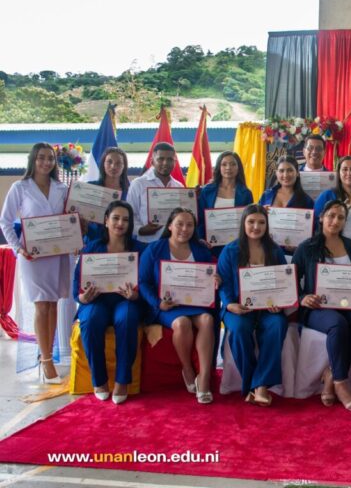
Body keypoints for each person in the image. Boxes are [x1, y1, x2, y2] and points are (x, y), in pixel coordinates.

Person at [293, 200, 351, 412]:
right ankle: (340, 383)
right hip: (317, 308)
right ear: (321, 218)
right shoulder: (306, 248)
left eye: (340, 217)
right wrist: (303, 297)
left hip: (349, 306)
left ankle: (331, 373)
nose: (335, 221)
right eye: (331, 216)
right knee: (337, 324)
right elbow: (290, 281)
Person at [0, 143, 71, 384]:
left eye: (50, 158)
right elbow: (5, 222)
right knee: (41, 305)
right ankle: (47, 361)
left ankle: (47, 352)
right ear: (33, 160)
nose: (46, 162)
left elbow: (69, 219)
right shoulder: (20, 188)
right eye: (41, 158)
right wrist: (19, 247)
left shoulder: (61, 188)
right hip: (33, 255)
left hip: (58, 253)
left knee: (52, 305)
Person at [139, 208, 219, 404]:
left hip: (196, 304)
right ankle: (188, 369)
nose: (185, 229)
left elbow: (209, 277)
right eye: (179, 224)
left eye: (189, 225)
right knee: (182, 323)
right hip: (168, 307)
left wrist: (215, 279)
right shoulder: (155, 249)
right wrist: (158, 303)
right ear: (169, 226)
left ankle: (205, 378)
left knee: (208, 320)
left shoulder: (200, 250)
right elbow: (142, 282)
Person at [72, 201, 146, 404]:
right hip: (97, 301)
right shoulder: (91, 248)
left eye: (125, 219)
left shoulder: (140, 250)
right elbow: (76, 286)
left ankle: (122, 381)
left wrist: (136, 295)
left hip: (126, 300)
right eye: (115, 218)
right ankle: (100, 381)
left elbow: (147, 281)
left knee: (128, 317)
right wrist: (82, 298)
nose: (120, 223)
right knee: (91, 319)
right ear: (106, 221)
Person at [217, 204, 288, 406]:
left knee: (278, 325)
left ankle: (260, 386)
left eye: (261, 222)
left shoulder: (275, 251)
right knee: (239, 329)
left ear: (267, 225)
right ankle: (252, 384)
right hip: (238, 307)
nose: (256, 226)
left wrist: (280, 303)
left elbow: (283, 282)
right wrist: (230, 305)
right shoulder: (230, 251)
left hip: (267, 308)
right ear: (243, 223)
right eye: (251, 222)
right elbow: (224, 283)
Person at [197, 151, 254, 256]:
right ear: (219, 167)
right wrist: (201, 239)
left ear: (238, 168)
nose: (228, 167)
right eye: (224, 164)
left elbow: (250, 220)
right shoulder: (207, 191)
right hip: (211, 246)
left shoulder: (246, 193)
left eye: (233, 164)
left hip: (237, 246)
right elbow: (200, 218)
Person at [126, 142, 184, 243]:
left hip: (174, 244)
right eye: (161, 159)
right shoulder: (138, 184)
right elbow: (130, 213)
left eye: (170, 159)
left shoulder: (179, 187)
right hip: (146, 243)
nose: (165, 163)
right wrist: (140, 230)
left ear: (175, 163)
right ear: (152, 162)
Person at [313, 156, 351, 243]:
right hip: (332, 249)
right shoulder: (327, 195)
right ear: (338, 173)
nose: (349, 173)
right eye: (345, 169)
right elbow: (315, 223)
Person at [84, 147, 130, 243]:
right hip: (93, 242)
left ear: (124, 166)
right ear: (103, 164)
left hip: (120, 244)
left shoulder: (130, 191)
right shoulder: (90, 187)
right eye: (109, 162)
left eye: (118, 163)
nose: (113, 166)